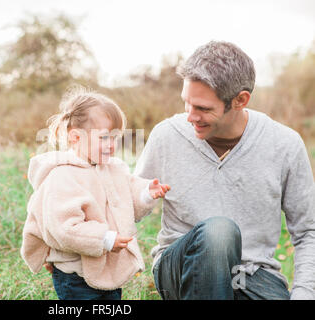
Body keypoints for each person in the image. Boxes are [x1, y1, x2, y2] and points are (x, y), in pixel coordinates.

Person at [134, 41, 315, 300]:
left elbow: (308, 231)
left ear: (240, 100)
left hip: (252, 276)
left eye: (203, 109)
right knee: (219, 232)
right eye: (187, 103)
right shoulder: (167, 136)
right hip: (180, 268)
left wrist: (305, 293)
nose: (190, 116)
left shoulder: (285, 145)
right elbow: (128, 207)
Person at [21, 87, 170, 300]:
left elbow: (125, 199)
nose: (112, 145)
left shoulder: (112, 169)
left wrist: (146, 193)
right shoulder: (63, 175)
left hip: (108, 270)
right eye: (104, 138)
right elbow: (64, 228)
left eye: (116, 138)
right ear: (75, 137)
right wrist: (104, 238)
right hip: (74, 275)